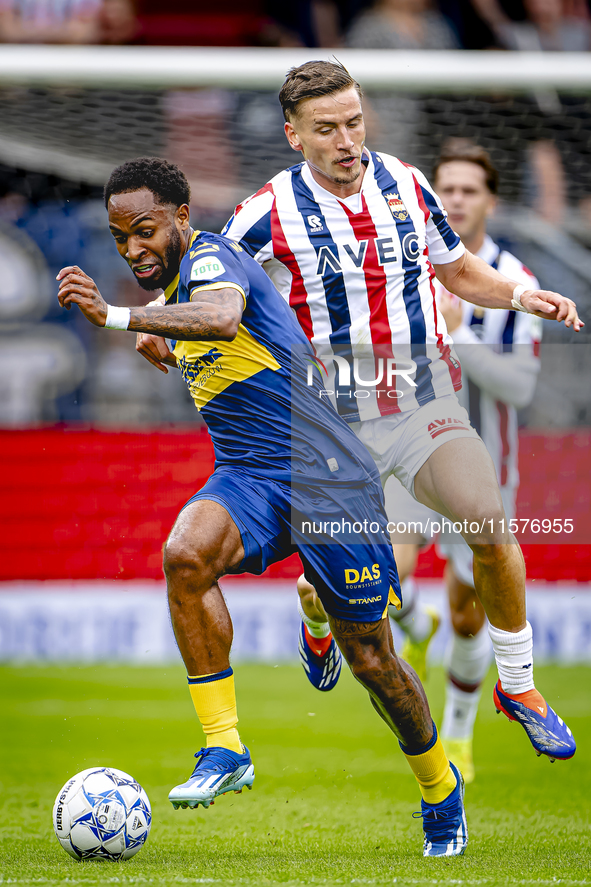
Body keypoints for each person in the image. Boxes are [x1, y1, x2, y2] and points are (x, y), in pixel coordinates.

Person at [136, 62, 580, 768]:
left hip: (421, 400)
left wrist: (525, 298)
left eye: (353, 121)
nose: (346, 139)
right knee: (337, 590)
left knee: (487, 522)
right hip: (331, 427)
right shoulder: (266, 212)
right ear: (292, 135)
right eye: (326, 129)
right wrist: (154, 319)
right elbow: (207, 271)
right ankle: (314, 611)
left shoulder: (406, 182)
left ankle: (519, 687)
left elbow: (456, 268)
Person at [57, 157, 469, 858]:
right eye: (120, 236)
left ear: (183, 218)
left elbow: (220, 319)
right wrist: (162, 340)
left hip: (328, 478)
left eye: (146, 230)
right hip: (250, 476)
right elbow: (215, 342)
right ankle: (224, 747)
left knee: (371, 658)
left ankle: (438, 788)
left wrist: (122, 316)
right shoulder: (181, 289)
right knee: (185, 556)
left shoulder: (217, 257)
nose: (132, 249)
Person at [384, 140, 544, 782]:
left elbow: (522, 387)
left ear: (489, 201)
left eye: (468, 191)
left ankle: (457, 732)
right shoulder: (401, 267)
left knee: (468, 613)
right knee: (383, 577)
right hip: (405, 452)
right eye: (445, 188)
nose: (454, 199)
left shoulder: (515, 282)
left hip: (482, 465)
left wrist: (459, 336)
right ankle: (411, 620)